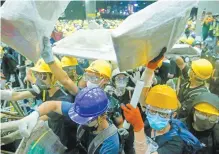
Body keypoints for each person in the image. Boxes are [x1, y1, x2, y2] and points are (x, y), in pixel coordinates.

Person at [0, 58, 76, 151]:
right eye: (37, 75)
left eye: (43, 76)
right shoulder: (44, 91)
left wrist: (7, 138)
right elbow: (17, 95)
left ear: (54, 77)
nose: (39, 79)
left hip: (64, 144)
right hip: (53, 137)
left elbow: (39, 119)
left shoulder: (63, 99)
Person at [18, 87, 120, 154]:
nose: (81, 121)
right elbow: (53, 105)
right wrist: (35, 114)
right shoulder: (82, 110)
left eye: (85, 120)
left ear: (102, 116)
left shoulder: (110, 144)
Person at [122, 85, 186, 154]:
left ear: (173, 115)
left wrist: (138, 128)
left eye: (162, 113)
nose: (156, 117)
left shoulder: (175, 143)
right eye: (152, 111)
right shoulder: (146, 126)